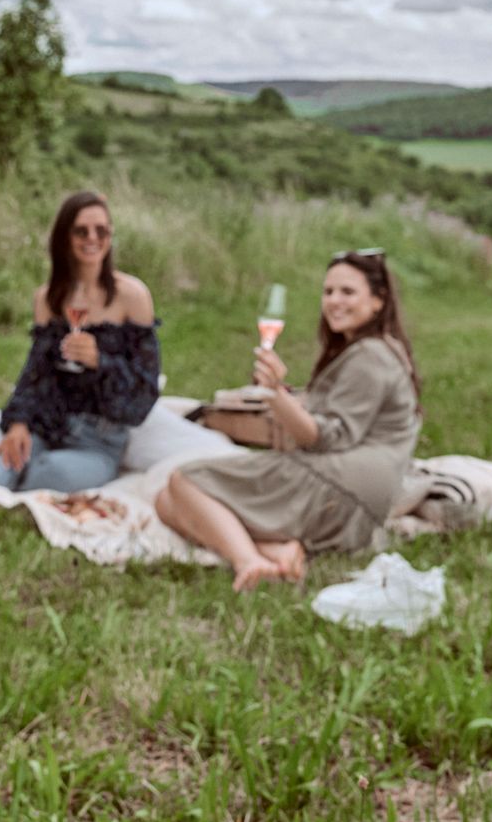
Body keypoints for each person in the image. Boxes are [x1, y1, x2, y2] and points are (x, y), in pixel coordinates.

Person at [157, 250, 422, 592]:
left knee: (184, 483)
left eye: (347, 292)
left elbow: (325, 438)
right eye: (328, 292)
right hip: (363, 498)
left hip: (343, 488)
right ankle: (278, 552)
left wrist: (275, 394)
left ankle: (248, 563)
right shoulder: (379, 349)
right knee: (167, 503)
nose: (334, 302)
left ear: (378, 301)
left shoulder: (370, 356)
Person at [0, 192, 162, 494]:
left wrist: (100, 362)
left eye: (102, 230)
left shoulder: (132, 295)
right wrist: (19, 424)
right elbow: (34, 375)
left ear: (111, 235)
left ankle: (18, 461)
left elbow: (144, 393)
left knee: (49, 474)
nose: (92, 238)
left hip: (98, 440)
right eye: (81, 230)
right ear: (65, 236)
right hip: (47, 426)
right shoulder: (48, 298)